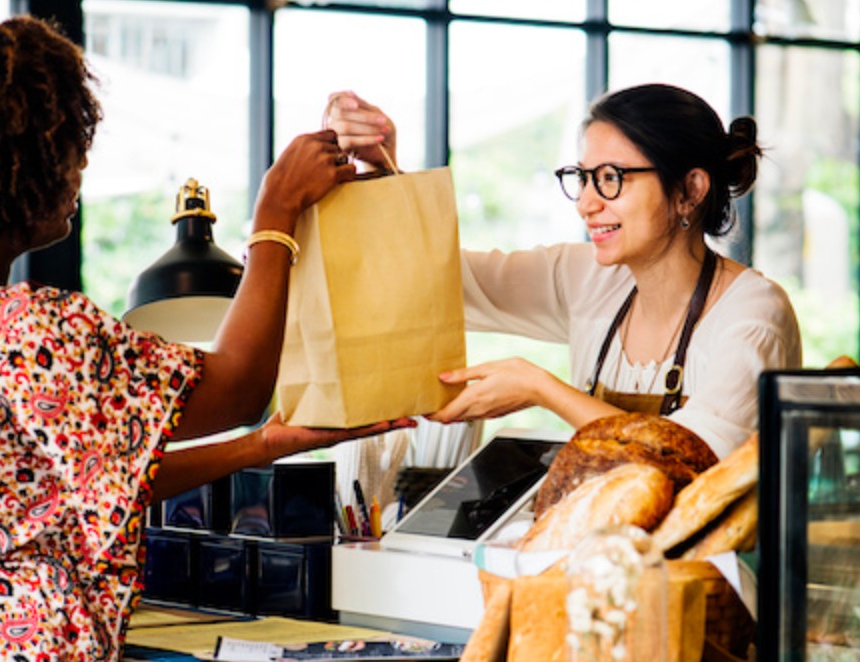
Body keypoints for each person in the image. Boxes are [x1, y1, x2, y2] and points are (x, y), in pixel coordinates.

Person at [0, 18, 413, 660]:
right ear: (12, 170)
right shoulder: (32, 331)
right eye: (66, 145)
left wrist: (260, 446)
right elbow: (235, 387)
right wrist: (276, 212)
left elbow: (64, 486)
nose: (80, 165)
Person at [324, 85, 801, 459]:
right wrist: (384, 170)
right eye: (583, 178)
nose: (588, 204)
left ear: (691, 189)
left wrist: (541, 389)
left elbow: (695, 456)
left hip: (707, 582)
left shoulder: (754, 313)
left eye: (611, 179)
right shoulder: (590, 278)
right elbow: (440, 278)